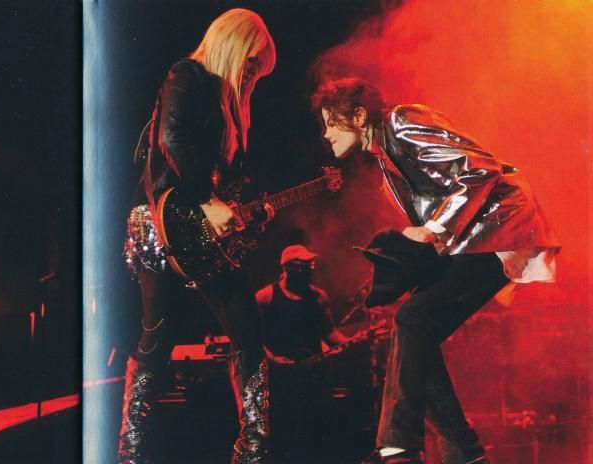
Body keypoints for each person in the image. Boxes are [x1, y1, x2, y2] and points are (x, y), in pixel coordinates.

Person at [310, 78, 559, 464]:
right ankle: (462, 453)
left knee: (413, 321)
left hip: (499, 228)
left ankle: (400, 444)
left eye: (331, 123)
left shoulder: (402, 121)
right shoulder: (386, 155)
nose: (326, 135)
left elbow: (479, 169)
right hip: (477, 234)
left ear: (358, 116)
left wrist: (433, 229)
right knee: (413, 333)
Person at [119, 8, 276, 464]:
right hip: (161, 220)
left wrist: (245, 211)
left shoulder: (231, 106)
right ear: (233, 44)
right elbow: (171, 140)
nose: (251, 74)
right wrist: (207, 199)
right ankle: (130, 451)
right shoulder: (187, 76)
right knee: (158, 335)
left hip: (203, 227)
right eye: (251, 62)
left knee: (246, 328)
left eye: (258, 70)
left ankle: (253, 449)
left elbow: (228, 175)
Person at [256, 244, 352, 462]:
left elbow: (330, 332)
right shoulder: (266, 297)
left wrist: (349, 342)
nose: (310, 269)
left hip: (313, 377)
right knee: (283, 434)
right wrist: (272, 360)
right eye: (304, 265)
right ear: (287, 268)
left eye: (311, 265)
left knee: (314, 433)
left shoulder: (318, 297)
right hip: (280, 380)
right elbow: (252, 338)